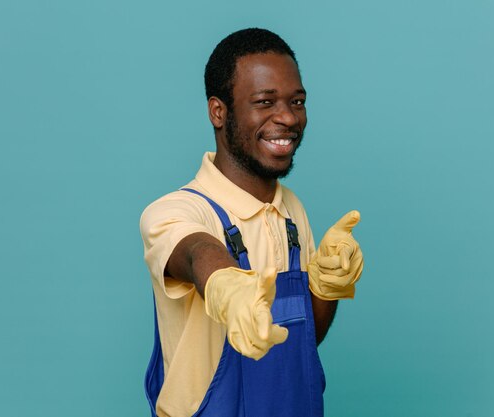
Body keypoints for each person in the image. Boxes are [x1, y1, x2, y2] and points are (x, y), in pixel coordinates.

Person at [139, 28, 364, 417]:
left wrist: (328, 287)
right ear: (218, 112)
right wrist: (227, 285)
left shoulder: (292, 212)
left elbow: (300, 343)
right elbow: (196, 252)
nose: (288, 117)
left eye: (297, 101)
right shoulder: (174, 211)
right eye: (265, 102)